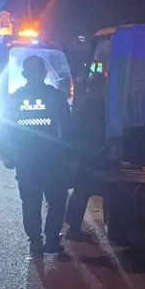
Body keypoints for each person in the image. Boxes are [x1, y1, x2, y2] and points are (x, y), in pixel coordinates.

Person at [0, 55, 72, 255]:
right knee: (57, 201)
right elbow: (68, 129)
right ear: (45, 73)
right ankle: (51, 240)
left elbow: (4, 128)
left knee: (30, 202)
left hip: (26, 160)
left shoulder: (15, 98)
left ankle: (35, 242)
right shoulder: (56, 97)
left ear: (24, 74)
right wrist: (71, 155)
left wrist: (6, 154)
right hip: (52, 160)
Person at [63, 70, 107, 241]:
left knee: (82, 190)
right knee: (83, 190)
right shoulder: (93, 106)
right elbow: (88, 131)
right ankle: (73, 228)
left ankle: (72, 226)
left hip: (85, 154)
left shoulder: (85, 104)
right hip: (88, 155)